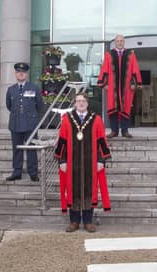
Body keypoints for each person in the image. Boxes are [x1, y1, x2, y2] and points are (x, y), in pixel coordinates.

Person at [54, 92, 111, 233]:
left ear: (87, 103)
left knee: (89, 190)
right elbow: (62, 140)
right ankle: (74, 221)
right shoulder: (67, 119)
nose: (80, 103)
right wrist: (62, 160)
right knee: (72, 191)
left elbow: (102, 141)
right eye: (78, 101)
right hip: (71, 163)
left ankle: (88, 221)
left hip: (90, 164)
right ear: (74, 103)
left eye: (83, 101)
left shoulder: (96, 119)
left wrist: (100, 160)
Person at [5, 62, 44, 182]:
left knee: (31, 148)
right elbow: (9, 105)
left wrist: (32, 117)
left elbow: (40, 106)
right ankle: (17, 171)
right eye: (18, 72)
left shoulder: (34, 88)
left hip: (30, 124)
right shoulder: (11, 89)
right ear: (15, 74)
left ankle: (33, 172)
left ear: (26, 74)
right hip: (15, 123)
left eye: (23, 72)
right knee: (17, 148)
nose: (21, 74)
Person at [98, 34, 142, 138]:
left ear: (124, 42)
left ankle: (125, 131)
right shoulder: (109, 54)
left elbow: (134, 69)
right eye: (118, 41)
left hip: (126, 88)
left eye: (121, 41)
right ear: (115, 43)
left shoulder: (130, 54)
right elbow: (105, 69)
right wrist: (104, 83)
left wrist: (134, 83)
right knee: (113, 108)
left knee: (125, 107)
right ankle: (114, 131)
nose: (120, 42)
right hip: (112, 88)